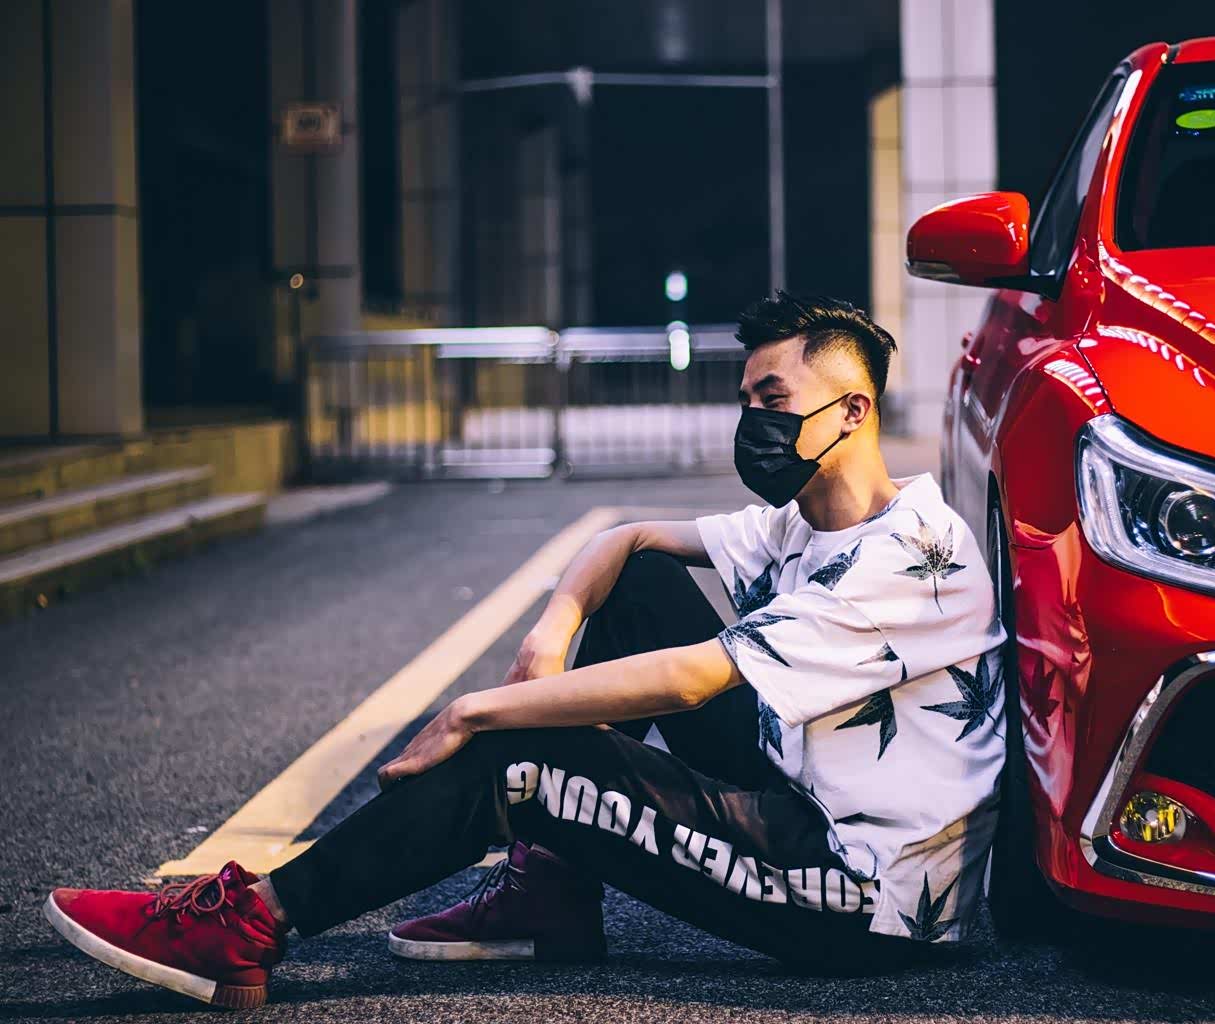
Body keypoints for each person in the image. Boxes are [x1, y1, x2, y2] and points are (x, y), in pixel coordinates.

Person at [41, 292, 1010, 1008]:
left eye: (773, 396)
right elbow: (626, 539)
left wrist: (478, 710)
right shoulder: (806, 519)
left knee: (523, 749)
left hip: (861, 896)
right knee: (638, 585)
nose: (753, 422)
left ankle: (249, 922)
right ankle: (551, 890)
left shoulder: (913, 557)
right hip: (807, 790)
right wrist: (551, 634)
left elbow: (692, 678)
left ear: (852, 411)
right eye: (746, 399)